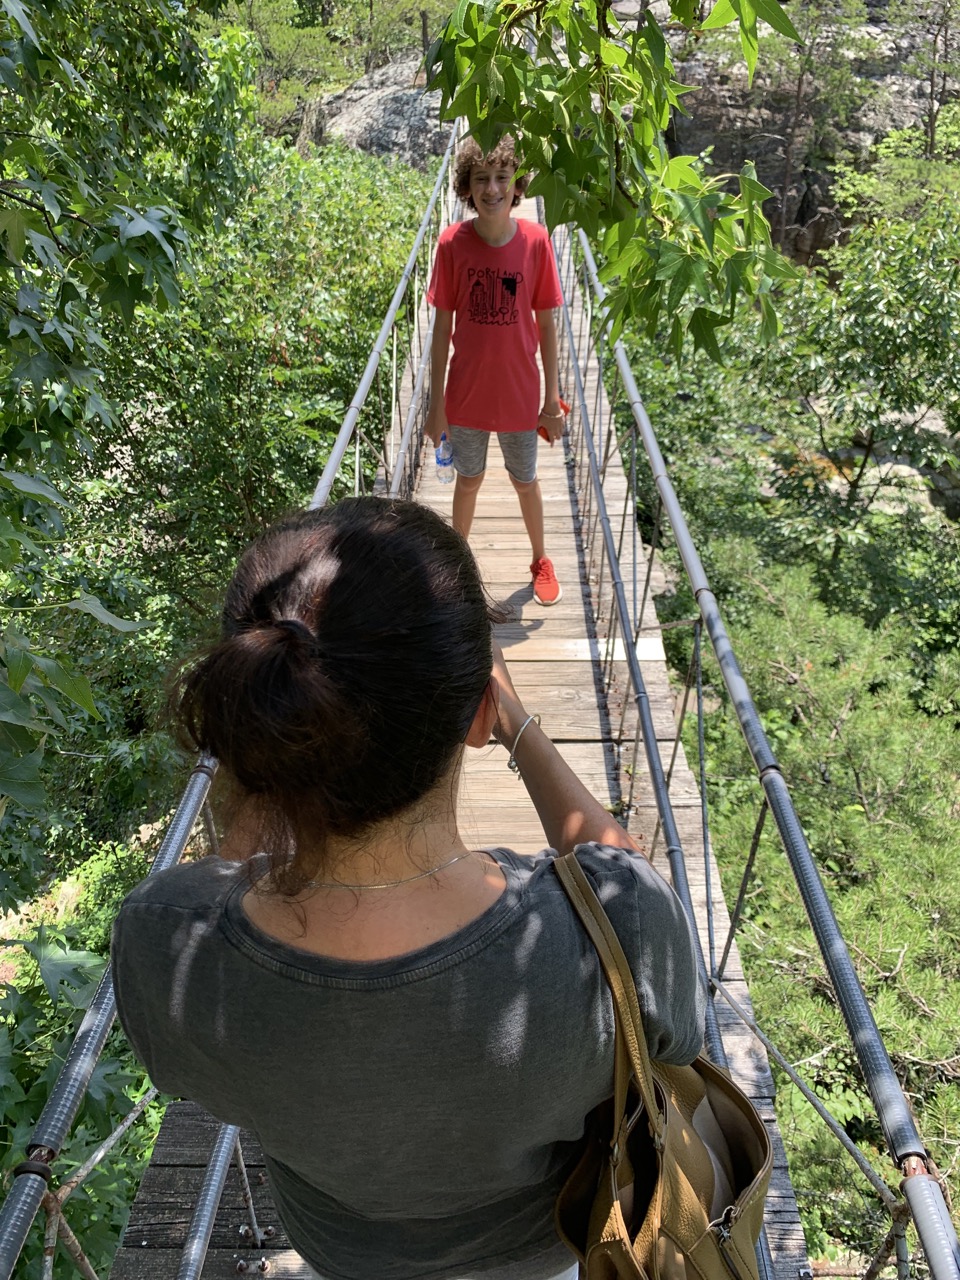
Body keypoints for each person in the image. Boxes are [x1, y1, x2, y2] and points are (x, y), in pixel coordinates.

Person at [111, 496, 706, 1280]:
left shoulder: (164, 940)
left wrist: (259, 768)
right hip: (552, 1241)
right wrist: (517, 723)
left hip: (343, 1248)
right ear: (474, 715)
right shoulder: (620, 927)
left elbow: (225, 884)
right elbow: (669, 1019)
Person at [425, 135, 566, 606]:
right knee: (469, 479)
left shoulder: (536, 242)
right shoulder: (451, 244)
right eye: (481, 179)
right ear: (466, 186)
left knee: (524, 479)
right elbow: (441, 328)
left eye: (502, 178)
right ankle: (456, 564)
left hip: (519, 394)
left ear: (517, 184)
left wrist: (552, 399)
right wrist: (435, 408)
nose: (491, 189)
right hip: (465, 395)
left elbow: (546, 323)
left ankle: (540, 558)